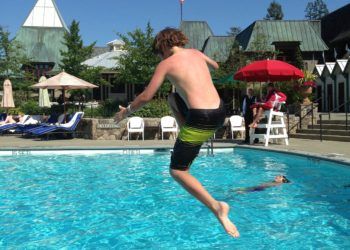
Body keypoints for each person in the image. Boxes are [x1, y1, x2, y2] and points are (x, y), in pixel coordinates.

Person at [114, 28, 239, 237]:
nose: (159, 56)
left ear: (163, 45)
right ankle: (185, 135)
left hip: (200, 118)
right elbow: (216, 66)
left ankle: (217, 207)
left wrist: (126, 112)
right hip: (219, 113)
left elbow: (146, 96)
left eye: (158, 51)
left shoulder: (165, 64)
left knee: (177, 171)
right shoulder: (197, 53)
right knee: (172, 99)